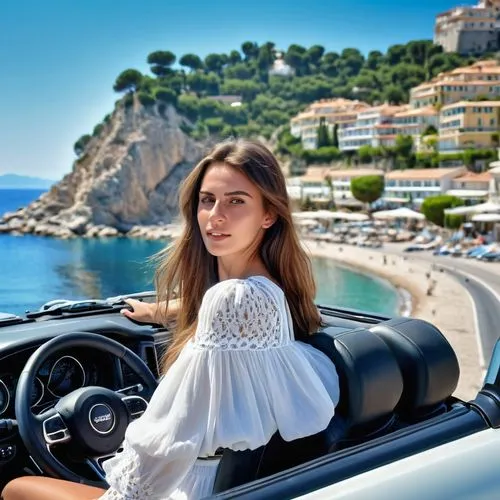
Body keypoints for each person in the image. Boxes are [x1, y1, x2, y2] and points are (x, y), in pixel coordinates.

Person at [2, 139, 340, 500]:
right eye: (207, 200)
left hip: (187, 489)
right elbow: (220, 308)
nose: (216, 216)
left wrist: (118, 483)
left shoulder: (232, 302)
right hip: (230, 485)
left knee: (14, 487)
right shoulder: (273, 293)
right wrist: (154, 311)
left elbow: (166, 445)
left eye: (236, 201)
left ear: (269, 215)